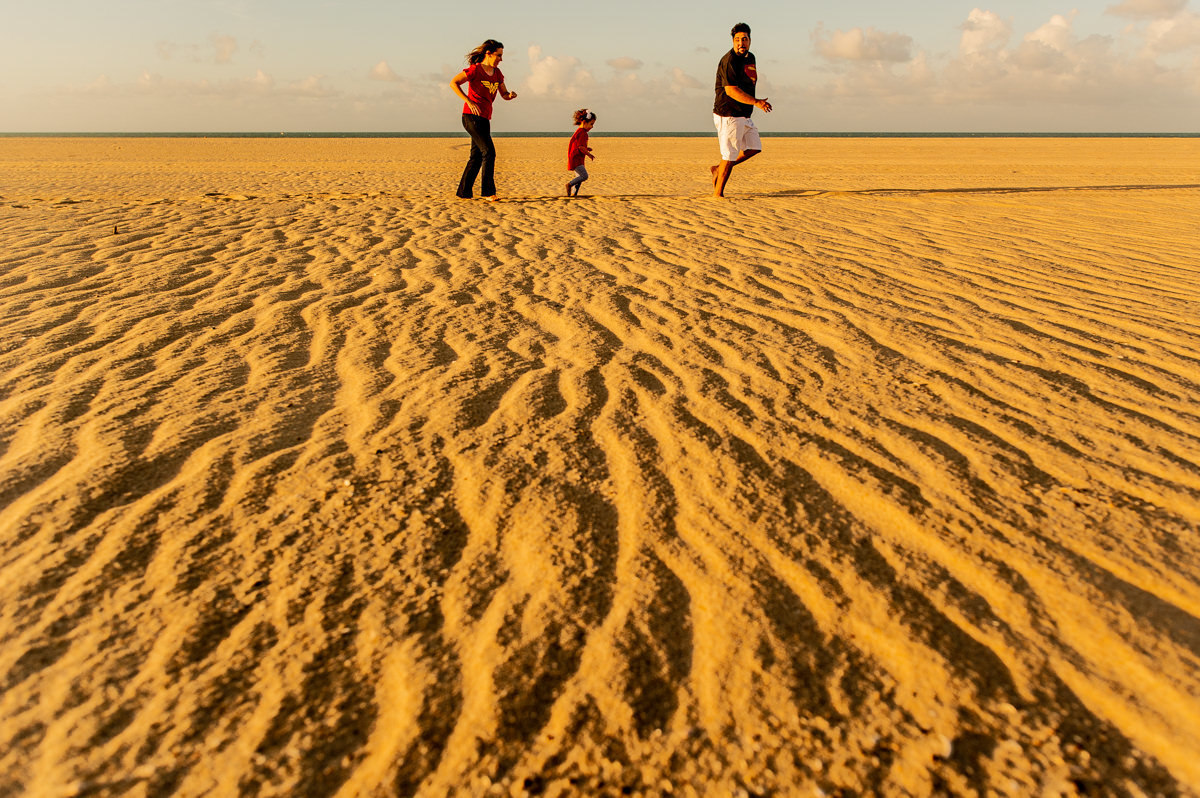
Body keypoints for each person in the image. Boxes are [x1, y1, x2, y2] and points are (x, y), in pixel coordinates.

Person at [450, 39, 518, 199]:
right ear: (488, 53)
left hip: (485, 118)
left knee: (476, 156)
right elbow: (454, 83)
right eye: (499, 55)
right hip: (471, 117)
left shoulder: (498, 74)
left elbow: (503, 94)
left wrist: (510, 95)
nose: (501, 59)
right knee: (489, 152)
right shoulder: (475, 70)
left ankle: (463, 192)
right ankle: (488, 193)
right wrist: (468, 100)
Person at [711, 22, 772, 198]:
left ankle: (718, 168)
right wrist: (757, 102)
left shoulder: (750, 57)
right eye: (737, 40)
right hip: (728, 113)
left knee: (754, 148)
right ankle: (717, 195)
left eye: (744, 39)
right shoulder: (729, 60)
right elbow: (731, 90)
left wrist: (753, 104)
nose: (741, 43)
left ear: (750, 41)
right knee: (729, 155)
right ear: (732, 41)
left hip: (743, 114)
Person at [566, 109, 597, 197]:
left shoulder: (579, 132)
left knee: (579, 178)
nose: (592, 127)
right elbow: (580, 147)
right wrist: (589, 154)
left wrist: (587, 149)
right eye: (591, 124)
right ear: (584, 122)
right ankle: (569, 184)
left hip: (576, 157)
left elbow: (579, 145)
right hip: (576, 158)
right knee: (584, 176)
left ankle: (573, 194)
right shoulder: (583, 133)